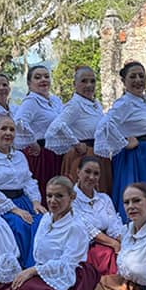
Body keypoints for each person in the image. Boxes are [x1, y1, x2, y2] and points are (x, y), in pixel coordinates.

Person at [95, 61, 146, 228]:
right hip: (138, 159)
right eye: (132, 76)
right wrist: (124, 142)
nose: (138, 80)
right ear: (124, 82)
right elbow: (104, 126)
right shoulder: (124, 103)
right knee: (138, 200)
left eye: (141, 76)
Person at [0, 115, 45, 268]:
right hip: (0, 205)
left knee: (41, 220)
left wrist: (35, 201)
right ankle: (20, 267)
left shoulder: (19, 156)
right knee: (19, 224)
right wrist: (14, 209)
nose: (8, 133)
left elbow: (28, 180)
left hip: (24, 201)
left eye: (12, 129)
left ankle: (39, 265)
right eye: (3, 129)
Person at [44, 66, 111, 194]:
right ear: (75, 84)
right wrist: (76, 143)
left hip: (99, 156)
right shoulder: (75, 105)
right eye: (84, 81)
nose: (89, 85)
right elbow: (55, 127)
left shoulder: (95, 104)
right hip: (84, 157)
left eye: (92, 81)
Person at [14, 65, 64, 201]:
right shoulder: (31, 102)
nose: (43, 80)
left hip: (57, 154)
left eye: (46, 76)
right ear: (29, 84)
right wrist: (32, 141)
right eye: (38, 77)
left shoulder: (55, 101)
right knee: (44, 190)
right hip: (41, 155)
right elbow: (18, 122)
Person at [71, 156, 123, 275]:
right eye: (87, 172)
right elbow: (88, 229)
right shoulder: (71, 200)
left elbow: (113, 224)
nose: (91, 177)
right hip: (83, 246)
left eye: (96, 174)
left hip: (106, 243)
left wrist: (123, 241)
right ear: (78, 172)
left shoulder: (104, 199)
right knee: (107, 254)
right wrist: (114, 243)